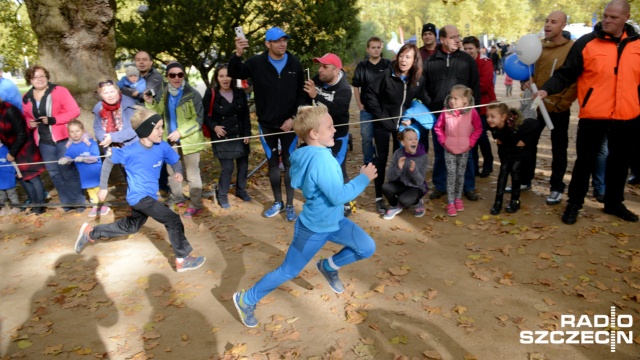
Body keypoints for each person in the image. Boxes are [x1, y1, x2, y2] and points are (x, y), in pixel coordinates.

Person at [232, 104, 377, 328]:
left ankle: (328, 266)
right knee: (288, 270)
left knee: (366, 247)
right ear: (314, 134)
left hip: (335, 221)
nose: (335, 130)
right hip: (313, 229)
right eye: (329, 127)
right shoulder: (321, 159)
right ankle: (246, 299)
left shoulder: (311, 153)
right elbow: (338, 195)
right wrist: (363, 178)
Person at [534, 0, 640, 224]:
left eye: (613, 17)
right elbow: (566, 74)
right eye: (605, 15)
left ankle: (613, 203)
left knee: (619, 163)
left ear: (626, 18)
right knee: (585, 162)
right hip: (594, 115)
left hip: (627, 117)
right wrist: (546, 89)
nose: (607, 20)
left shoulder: (637, 45)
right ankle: (574, 204)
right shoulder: (586, 43)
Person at [74, 107, 206, 272]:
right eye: (157, 128)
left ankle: (91, 233)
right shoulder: (130, 151)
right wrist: (103, 187)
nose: (161, 131)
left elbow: (175, 161)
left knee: (131, 227)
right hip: (139, 197)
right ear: (145, 130)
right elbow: (108, 161)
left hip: (149, 196)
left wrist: (178, 171)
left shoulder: (163, 146)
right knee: (172, 220)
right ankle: (183, 258)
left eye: (161, 127)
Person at [229, 27, 305, 221]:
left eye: (285, 40)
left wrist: (294, 118)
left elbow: (301, 94)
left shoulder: (294, 63)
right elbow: (235, 72)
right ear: (267, 44)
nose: (282, 44)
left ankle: (289, 205)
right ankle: (277, 202)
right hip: (267, 124)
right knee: (273, 164)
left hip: (290, 123)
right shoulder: (256, 62)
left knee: (288, 163)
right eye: (278, 41)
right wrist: (238, 54)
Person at [362, 43, 430, 215]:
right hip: (383, 126)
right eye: (401, 55)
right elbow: (369, 94)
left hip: (402, 129)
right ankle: (379, 197)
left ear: (414, 60)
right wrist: (381, 116)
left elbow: (423, 100)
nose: (403, 60)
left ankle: (399, 197)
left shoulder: (418, 79)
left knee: (401, 160)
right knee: (381, 160)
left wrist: (413, 117)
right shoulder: (387, 74)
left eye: (408, 57)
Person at [522, 11, 577, 206]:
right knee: (527, 143)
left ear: (563, 26)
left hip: (558, 109)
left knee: (559, 149)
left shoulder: (572, 48)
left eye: (554, 22)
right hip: (534, 107)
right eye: (546, 21)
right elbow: (527, 72)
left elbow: (572, 80)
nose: (548, 25)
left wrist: (562, 103)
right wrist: (524, 83)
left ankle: (556, 188)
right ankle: (524, 181)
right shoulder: (538, 47)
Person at [424, 25, 481, 203]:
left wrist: (471, 111)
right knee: (441, 151)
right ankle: (440, 186)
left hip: (464, 116)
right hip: (440, 117)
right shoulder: (431, 62)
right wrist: (431, 106)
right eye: (453, 37)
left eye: (458, 36)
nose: (458, 40)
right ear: (442, 40)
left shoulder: (467, 60)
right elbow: (424, 88)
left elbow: (475, 87)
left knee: (467, 152)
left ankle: (468, 187)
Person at [145, 62, 205, 219]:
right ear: (167, 77)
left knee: (192, 174)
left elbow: (198, 120)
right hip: (169, 140)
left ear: (184, 75)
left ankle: (196, 205)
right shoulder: (164, 93)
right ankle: (178, 198)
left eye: (180, 74)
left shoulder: (192, 94)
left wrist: (180, 132)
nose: (176, 78)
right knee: (172, 173)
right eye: (172, 75)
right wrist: (149, 102)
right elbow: (157, 113)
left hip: (190, 140)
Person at [22, 65, 86, 213]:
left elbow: (74, 111)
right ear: (30, 80)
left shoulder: (59, 91)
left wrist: (53, 120)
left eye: (42, 76)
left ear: (47, 76)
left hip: (62, 138)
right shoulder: (26, 98)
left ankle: (79, 202)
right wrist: (29, 123)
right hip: (44, 141)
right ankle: (67, 203)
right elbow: (26, 116)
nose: (39, 79)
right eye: (35, 77)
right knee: (54, 173)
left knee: (68, 171)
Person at [303, 53, 354, 216]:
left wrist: (316, 96)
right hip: (318, 135)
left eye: (325, 67)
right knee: (316, 168)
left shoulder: (345, 89)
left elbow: (338, 111)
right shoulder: (318, 80)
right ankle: (319, 199)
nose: (320, 70)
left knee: (338, 170)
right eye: (319, 66)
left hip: (338, 135)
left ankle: (346, 203)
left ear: (336, 70)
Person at [203, 64, 252, 208]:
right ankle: (222, 195)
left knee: (243, 166)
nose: (225, 79)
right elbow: (204, 115)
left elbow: (245, 115)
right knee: (228, 168)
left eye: (228, 75)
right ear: (217, 78)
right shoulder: (210, 93)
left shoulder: (240, 93)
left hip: (240, 134)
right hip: (222, 136)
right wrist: (214, 127)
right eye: (221, 76)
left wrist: (247, 133)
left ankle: (241, 190)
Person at [433, 85, 482, 216]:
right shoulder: (445, 111)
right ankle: (450, 202)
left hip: (465, 149)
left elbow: (478, 129)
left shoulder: (473, 112)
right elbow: (438, 128)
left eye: (456, 99)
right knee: (451, 174)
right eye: (451, 98)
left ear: (465, 101)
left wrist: (470, 143)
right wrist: (444, 141)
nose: (452, 101)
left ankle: (458, 198)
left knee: (460, 174)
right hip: (449, 149)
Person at [486, 100, 538, 215]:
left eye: (492, 116)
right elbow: (489, 129)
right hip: (505, 149)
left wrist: (525, 141)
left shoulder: (518, 125)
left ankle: (515, 200)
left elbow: (535, 124)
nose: (489, 119)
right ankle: (498, 201)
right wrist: (497, 136)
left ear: (503, 116)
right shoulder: (492, 125)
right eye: (488, 116)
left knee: (515, 172)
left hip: (518, 151)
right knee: (503, 171)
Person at [0, 99, 46, 214]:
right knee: (22, 178)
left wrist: (12, 153)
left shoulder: (10, 110)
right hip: (12, 148)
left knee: (33, 177)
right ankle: (33, 203)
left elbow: (22, 134)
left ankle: (40, 206)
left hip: (24, 147)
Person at [352, 36, 391, 166]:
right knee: (366, 138)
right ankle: (368, 162)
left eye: (378, 47)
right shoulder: (362, 66)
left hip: (382, 109)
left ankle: (380, 162)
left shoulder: (387, 65)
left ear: (382, 47)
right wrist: (359, 104)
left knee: (382, 139)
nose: (376, 50)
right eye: (373, 48)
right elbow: (356, 85)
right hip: (366, 109)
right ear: (368, 49)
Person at [59, 120, 109, 217]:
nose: (75, 134)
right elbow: (69, 156)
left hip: (94, 171)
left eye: (77, 131)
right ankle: (95, 206)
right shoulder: (70, 145)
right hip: (83, 172)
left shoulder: (90, 142)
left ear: (82, 130)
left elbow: (95, 157)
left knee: (97, 188)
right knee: (89, 189)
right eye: (72, 132)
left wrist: (84, 158)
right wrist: (65, 159)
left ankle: (102, 205)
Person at [462, 35, 497, 178]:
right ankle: (474, 166)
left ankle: (488, 163)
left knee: (481, 136)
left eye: (470, 48)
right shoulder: (464, 62)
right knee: (471, 138)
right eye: (465, 49)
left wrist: (465, 92)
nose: (468, 51)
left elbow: (484, 84)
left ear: (477, 48)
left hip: (483, 105)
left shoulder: (485, 62)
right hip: (468, 106)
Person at [381, 128, 428, 219]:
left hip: (416, 187)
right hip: (402, 185)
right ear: (403, 143)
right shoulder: (398, 153)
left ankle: (417, 203)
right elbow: (390, 178)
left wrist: (414, 171)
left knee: (404, 201)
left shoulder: (423, 156)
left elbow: (420, 181)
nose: (414, 141)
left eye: (416, 139)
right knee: (385, 187)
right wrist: (398, 168)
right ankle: (394, 206)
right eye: (410, 139)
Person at [93, 80, 139, 150]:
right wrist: (105, 138)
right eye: (106, 93)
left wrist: (113, 137)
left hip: (131, 147)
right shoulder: (98, 108)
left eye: (112, 91)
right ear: (101, 96)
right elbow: (97, 128)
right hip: (110, 149)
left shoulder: (130, 105)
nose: (110, 95)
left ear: (118, 91)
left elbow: (135, 128)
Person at [0, 140, 20, 215]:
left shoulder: (5, 149)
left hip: (8, 175)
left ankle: (16, 206)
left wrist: (17, 171)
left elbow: (12, 161)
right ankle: (3, 207)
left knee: (11, 192)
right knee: (1, 194)